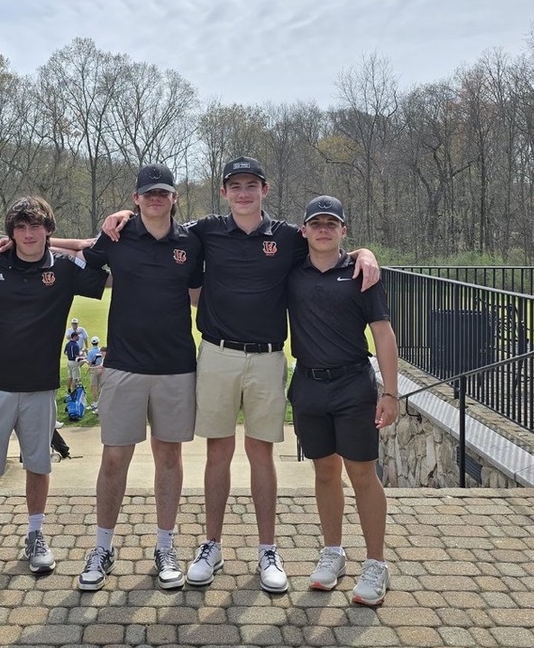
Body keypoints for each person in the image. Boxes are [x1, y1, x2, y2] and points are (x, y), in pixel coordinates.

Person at [102, 155, 379, 593]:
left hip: (269, 358)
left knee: (261, 454)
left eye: (252, 185)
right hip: (217, 353)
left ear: (264, 191)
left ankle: (267, 549)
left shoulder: (288, 236)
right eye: (236, 186)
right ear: (224, 191)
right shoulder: (205, 230)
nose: (244, 193)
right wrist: (123, 215)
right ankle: (212, 545)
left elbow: (331, 248)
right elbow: (155, 225)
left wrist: (366, 252)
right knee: (218, 453)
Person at [0, 195, 107, 576]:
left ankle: (35, 535)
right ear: (10, 232)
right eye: (20, 227)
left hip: (39, 386)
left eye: (36, 227)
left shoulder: (65, 270)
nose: (28, 234)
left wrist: (59, 243)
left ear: (49, 230)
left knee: (37, 463)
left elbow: (99, 253)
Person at [77, 163, 203, 592]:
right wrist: (17, 240)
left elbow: (202, 292)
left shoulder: (192, 242)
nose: (155, 198)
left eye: (163, 192)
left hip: (175, 367)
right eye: (148, 193)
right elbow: (82, 254)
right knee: (114, 459)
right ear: (135, 199)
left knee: (169, 457)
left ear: (174, 197)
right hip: (124, 366)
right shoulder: (116, 235)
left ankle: (165, 546)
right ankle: (103, 547)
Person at [287, 195, 398, 606]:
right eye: (315, 222)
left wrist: (390, 391)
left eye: (331, 223)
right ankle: (332, 553)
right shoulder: (291, 270)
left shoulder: (359, 272)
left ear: (343, 231)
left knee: (363, 474)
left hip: (353, 384)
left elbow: (383, 333)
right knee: (324, 473)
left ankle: (376, 564)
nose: (323, 229)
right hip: (308, 384)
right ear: (304, 230)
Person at [86, 336, 105, 407]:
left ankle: (95, 403)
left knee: (94, 387)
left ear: (91, 343)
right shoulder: (101, 350)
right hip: (101, 369)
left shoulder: (90, 352)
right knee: (100, 386)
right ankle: (101, 402)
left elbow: (89, 363)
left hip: (94, 369)